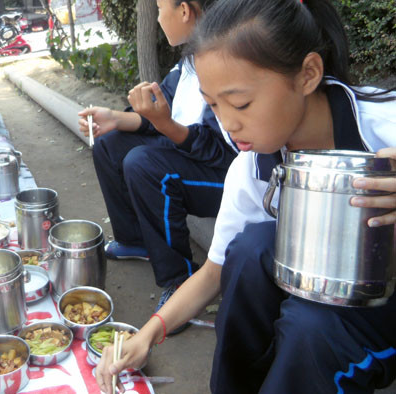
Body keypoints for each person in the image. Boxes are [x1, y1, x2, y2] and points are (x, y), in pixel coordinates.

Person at [95, 0, 396, 393]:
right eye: (214, 105)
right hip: (316, 290)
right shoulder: (253, 167)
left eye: (240, 104)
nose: (228, 123)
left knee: (310, 331)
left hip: (380, 299)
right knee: (251, 247)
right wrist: (147, 335)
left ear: (307, 75)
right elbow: (214, 271)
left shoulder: (382, 125)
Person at [78, 0, 237, 319]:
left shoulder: (222, 61)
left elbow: (218, 151)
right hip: (193, 157)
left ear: (184, 11)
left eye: (160, 8)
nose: (158, 18)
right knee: (108, 144)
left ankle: (180, 282)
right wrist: (115, 119)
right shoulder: (189, 62)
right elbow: (158, 115)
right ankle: (136, 240)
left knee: (145, 164)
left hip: (225, 177)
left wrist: (165, 124)